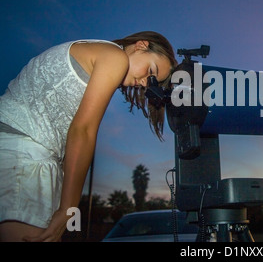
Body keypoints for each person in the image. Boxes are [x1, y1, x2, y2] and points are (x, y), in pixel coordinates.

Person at [0, 31, 177, 241]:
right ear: (141, 45)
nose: (146, 83)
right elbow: (82, 131)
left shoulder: (96, 50)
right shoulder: (114, 57)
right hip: (23, 155)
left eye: (152, 82)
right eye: (150, 71)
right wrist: (68, 208)